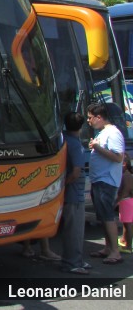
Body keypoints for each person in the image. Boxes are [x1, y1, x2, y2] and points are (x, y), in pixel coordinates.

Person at [87, 102, 125, 264]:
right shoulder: (103, 132)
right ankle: (108, 247)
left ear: (99, 117)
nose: (88, 121)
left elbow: (118, 157)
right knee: (102, 215)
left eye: (90, 118)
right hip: (99, 180)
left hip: (106, 180)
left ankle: (115, 251)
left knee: (107, 215)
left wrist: (97, 147)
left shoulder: (113, 133)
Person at [59, 111, 90, 274]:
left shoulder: (63, 140)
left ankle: (76, 260)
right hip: (74, 194)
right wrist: (65, 184)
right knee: (75, 230)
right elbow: (76, 172)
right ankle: (72, 262)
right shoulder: (76, 145)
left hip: (69, 193)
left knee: (72, 229)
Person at [117, 156, 133, 254]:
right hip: (126, 201)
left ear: (124, 164)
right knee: (126, 223)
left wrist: (116, 201)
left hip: (126, 201)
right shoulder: (127, 174)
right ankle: (124, 240)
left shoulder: (126, 175)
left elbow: (125, 191)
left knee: (128, 224)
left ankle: (128, 246)